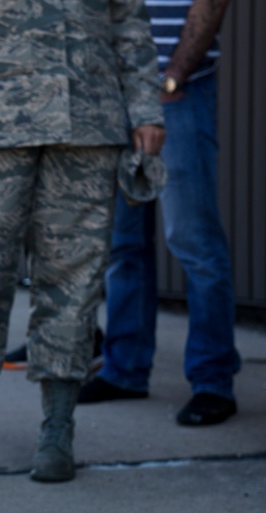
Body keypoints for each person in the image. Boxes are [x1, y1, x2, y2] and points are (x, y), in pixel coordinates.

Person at [0, 0, 165, 485]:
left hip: (88, 119)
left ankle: (58, 428)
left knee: (74, 281)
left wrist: (145, 108)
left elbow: (128, 20)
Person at [77, 0, 240, 427]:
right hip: (119, 96)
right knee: (123, 244)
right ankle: (125, 368)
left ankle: (212, 379)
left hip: (178, 91)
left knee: (193, 241)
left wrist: (171, 79)